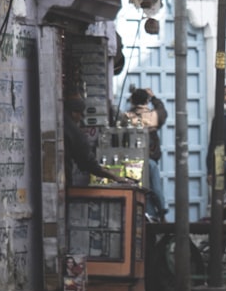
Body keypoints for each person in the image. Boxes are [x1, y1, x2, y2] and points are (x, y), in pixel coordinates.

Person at [63, 97, 130, 186]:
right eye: (81, 114)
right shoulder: (73, 131)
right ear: (74, 113)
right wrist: (115, 177)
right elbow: (88, 163)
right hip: (63, 179)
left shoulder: (60, 122)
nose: (82, 118)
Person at [124, 88, 168, 220]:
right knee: (153, 188)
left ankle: (148, 218)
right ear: (147, 101)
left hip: (131, 161)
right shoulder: (154, 116)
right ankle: (159, 214)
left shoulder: (126, 117)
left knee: (141, 192)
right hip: (149, 160)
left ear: (132, 101)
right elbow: (162, 111)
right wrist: (154, 97)